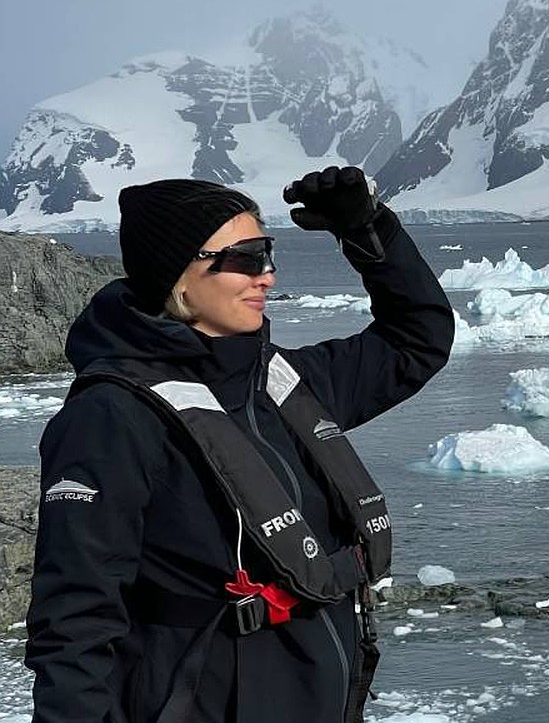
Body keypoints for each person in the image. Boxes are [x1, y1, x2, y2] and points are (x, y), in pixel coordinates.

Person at [25, 167, 455, 723]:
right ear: (179, 276)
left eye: (268, 253)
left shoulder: (282, 385)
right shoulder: (112, 417)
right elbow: (75, 619)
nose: (267, 276)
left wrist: (370, 233)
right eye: (245, 258)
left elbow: (416, 340)